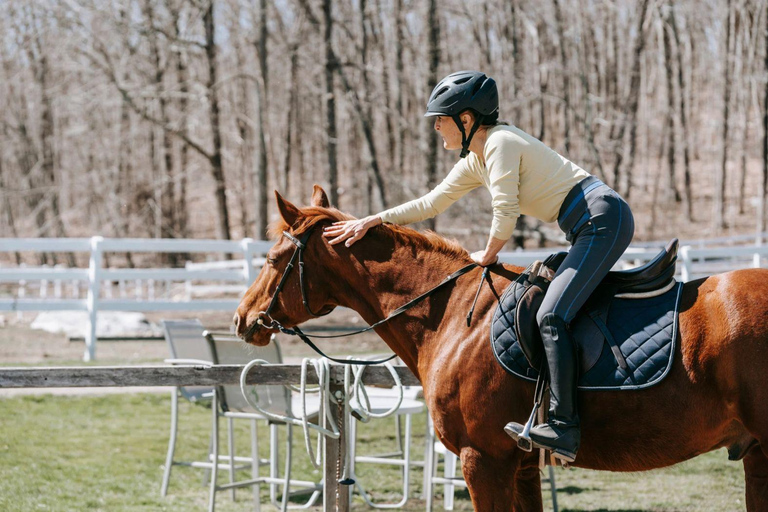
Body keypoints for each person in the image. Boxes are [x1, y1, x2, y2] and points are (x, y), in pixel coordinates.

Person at [321, 70, 634, 462]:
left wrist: (486, 256)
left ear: (466, 120)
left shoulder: (501, 142)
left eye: (441, 118)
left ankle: (564, 425)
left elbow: (506, 210)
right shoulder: (476, 158)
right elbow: (430, 203)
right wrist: (374, 220)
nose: (436, 127)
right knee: (544, 301)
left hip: (602, 219)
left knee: (552, 315)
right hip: (586, 225)